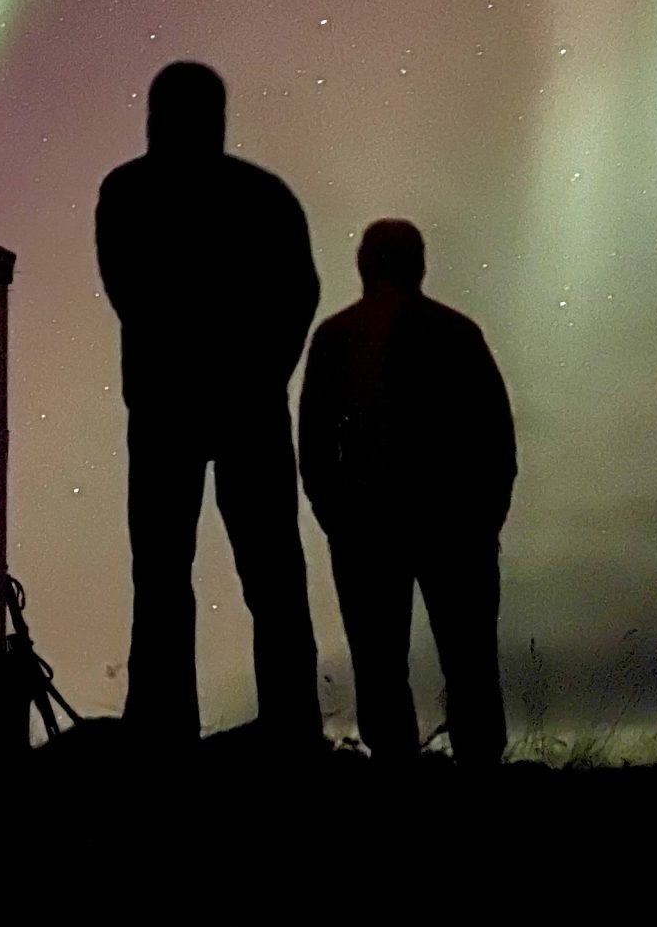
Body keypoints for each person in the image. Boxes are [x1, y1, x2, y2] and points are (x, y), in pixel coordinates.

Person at [97, 61, 321, 745]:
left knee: (164, 572)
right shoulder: (263, 195)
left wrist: (188, 362)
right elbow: (299, 293)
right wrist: (263, 373)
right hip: (244, 406)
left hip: (168, 406)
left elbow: (127, 291)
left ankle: (165, 725)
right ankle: (290, 725)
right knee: (271, 572)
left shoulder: (129, 191)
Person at [299, 218, 517, 766]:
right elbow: (496, 436)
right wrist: (486, 515)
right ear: (420, 264)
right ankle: (479, 774)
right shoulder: (458, 334)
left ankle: (396, 779)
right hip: (455, 523)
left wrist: (337, 519)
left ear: (363, 265)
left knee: (378, 661)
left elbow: (314, 446)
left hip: (367, 527)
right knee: (469, 659)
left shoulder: (335, 337)